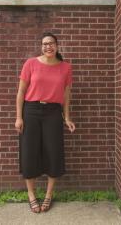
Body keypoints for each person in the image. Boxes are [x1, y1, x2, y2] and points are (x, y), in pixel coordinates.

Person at [15, 32, 75, 213]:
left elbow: (66, 94)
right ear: (41, 46)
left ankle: (48, 195)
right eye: (44, 44)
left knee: (53, 151)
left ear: (57, 45)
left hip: (53, 113)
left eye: (51, 43)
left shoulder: (65, 67)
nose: (48, 46)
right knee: (29, 151)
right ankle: (31, 194)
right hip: (31, 111)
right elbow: (21, 92)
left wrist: (67, 117)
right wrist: (19, 117)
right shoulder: (31, 64)